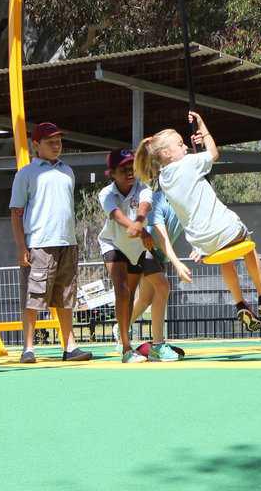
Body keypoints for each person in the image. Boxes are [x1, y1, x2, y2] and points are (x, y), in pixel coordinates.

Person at [133, 111, 261, 331]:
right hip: (227, 229)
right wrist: (203, 128)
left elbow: (188, 170)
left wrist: (192, 150)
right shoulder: (189, 163)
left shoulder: (163, 179)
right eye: (180, 144)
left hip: (203, 244)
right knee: (248, 246)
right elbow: (213, 153)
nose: (184, 147)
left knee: (225, 259)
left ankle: (239, 303)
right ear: (166, 153)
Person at [9, 122, 92, 364]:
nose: (56, 146)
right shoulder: (26, 173)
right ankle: (28, 348)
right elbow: (16, 212)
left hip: (67, 241)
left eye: (58, 141)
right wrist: (21, 247)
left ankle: (70, 346)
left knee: (66, 295)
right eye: (50, 142)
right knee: (33, 295)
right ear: (36, 145)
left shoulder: (67, 171)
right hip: (39, 243)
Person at [98, 147, 170, 363]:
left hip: (139, 246)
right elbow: (116, 214)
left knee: (162, 286)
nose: (129, 172)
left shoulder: (143, 188)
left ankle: (158, 344)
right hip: (114, 244)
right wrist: (137, 227)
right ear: (111, 173)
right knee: (122, 292)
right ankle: (126, 348)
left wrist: (139, 225)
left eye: (132, 167)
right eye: (123, 169)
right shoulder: (106, 193)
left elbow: (145, 206)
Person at [126, 189, 192, 358]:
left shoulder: (187, 201)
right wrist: (177, 265)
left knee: (145, 298)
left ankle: (121, 328)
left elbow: (197, 227)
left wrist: (200, 248)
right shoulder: (158, 200)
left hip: (159, 253)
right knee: (163, 287)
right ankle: (157, 346)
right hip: (145, 248)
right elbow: (161, 238)